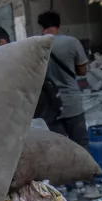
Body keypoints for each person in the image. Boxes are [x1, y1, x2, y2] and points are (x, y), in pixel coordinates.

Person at [38, 11, 90, 148]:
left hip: (51, 108)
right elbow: (83, 71)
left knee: (61, 151)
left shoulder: (38, 47)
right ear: (58, 25)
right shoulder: (72, 42)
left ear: (42, 27)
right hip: (72, 105)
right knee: (81, 147)